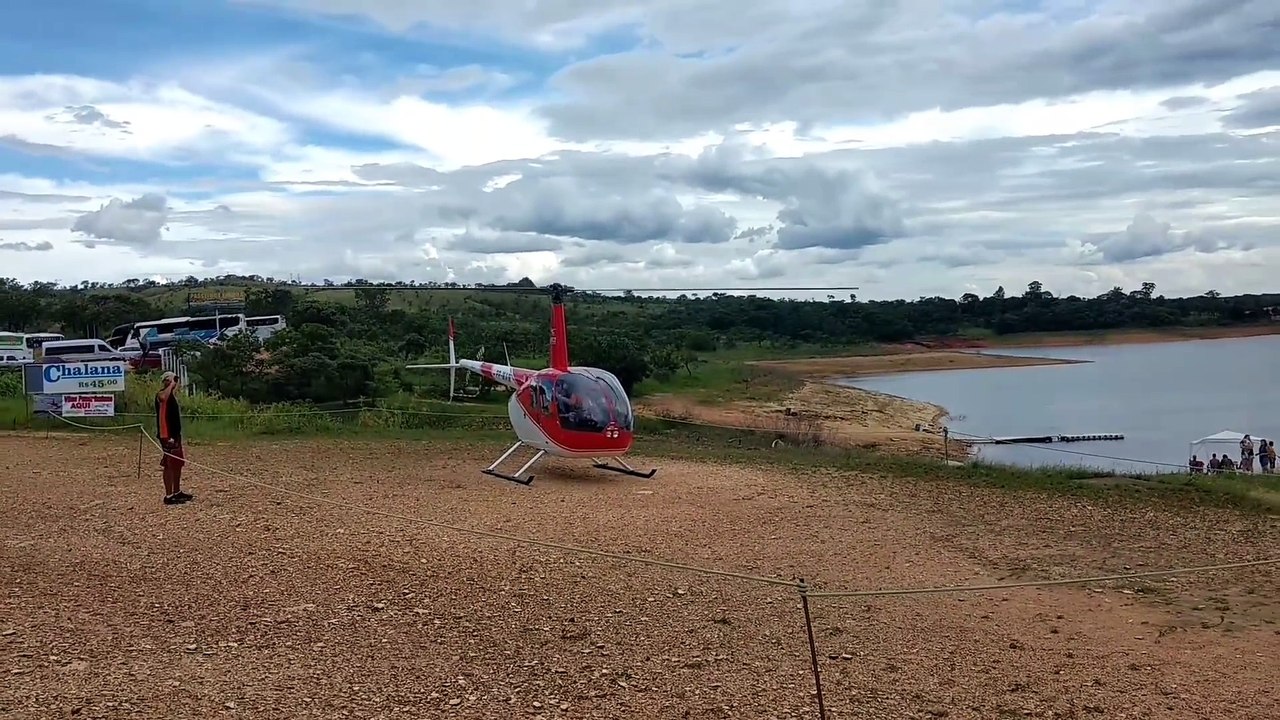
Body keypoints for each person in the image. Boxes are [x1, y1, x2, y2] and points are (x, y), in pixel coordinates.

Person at [155, 371, 193, 505]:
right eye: (172, 380)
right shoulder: (161, 394)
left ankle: (177, 491)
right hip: (166, 435)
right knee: (169, 464)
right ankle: (168, 495)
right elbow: (163, 397)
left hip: (175, 435)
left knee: (177, 463)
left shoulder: (172, 397)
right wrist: (170, 385)